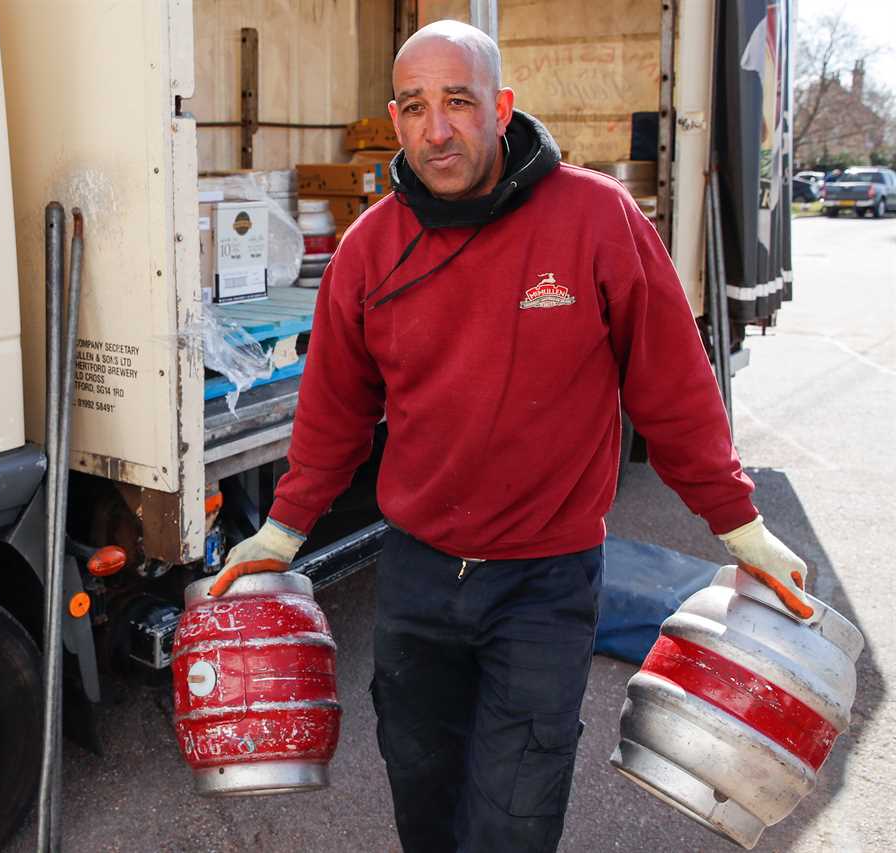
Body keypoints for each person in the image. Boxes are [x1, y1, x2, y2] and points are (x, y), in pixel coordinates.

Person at [207, 19, 813, 853]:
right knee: (423, 793)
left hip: (546, 581)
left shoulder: (596, 219)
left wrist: (740, 525)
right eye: (416, 108)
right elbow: (334, 412)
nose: (437, 128)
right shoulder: (369, 249)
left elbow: (673, 392)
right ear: (395, 118)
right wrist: (283, 528)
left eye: (459, 101)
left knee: (515, 817)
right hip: (418, 575)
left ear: (503, 106)